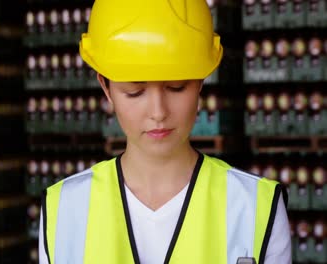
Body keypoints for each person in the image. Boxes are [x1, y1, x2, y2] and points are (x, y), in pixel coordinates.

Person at [38, 0, 291, 263]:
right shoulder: (64, 210)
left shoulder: (256, 208)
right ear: (105, 87)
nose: (158, 112)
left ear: (201, 81)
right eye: (135, 91)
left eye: (177, 86)